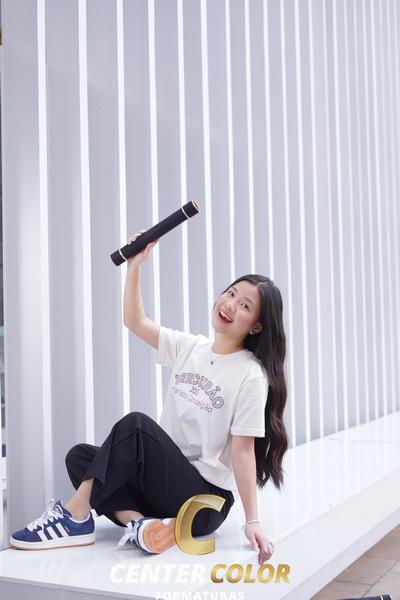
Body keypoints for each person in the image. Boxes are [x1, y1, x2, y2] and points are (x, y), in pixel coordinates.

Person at [9, 230, 288, 565]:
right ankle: (142, 525)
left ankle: (75, 517)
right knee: (81, 458)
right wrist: (135, 266)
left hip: (204, 502)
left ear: (256, 326)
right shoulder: (191, 348)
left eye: (244, 306)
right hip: (164, 487)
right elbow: (135, 321)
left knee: (136, 427)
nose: (229, 305)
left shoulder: (250, 374)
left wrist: (252, 520)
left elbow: (243, 450)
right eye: (230, 293)